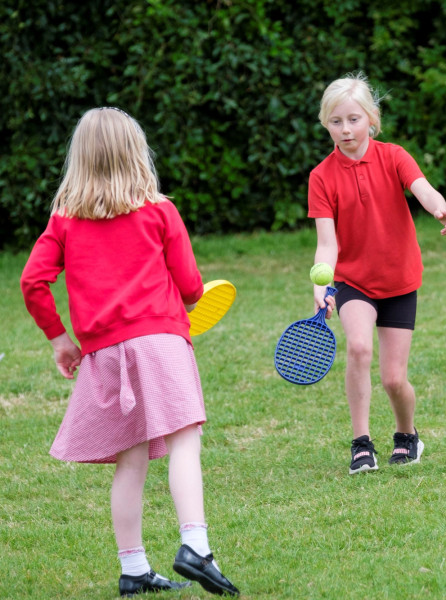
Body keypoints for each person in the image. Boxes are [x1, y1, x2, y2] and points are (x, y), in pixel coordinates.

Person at [20, 107, 240, 597]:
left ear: (80, 160)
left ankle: (134, 568)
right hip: (160, 342)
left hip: (105, 354)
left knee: (132, 460)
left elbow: (32, 281)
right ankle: (196, 546)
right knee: (185, 440)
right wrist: (190, 294)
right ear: (137, 153)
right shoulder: (160, 210)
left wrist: (60, 338)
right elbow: (190, 287)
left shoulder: (65, 220)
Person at [308, 72, 446, 475]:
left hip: (399, 280)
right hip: (354, 282)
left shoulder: (394, 156)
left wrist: (437, 207)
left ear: (371, 119)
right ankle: (361, 443)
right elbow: (327, 243)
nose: (345, 129)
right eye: (336, 121)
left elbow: (422, 187)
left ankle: (407, 435)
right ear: (326, 124)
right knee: (357, 348)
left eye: (354, 119)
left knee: (394, 380)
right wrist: (322, 284)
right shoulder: (321, 177)